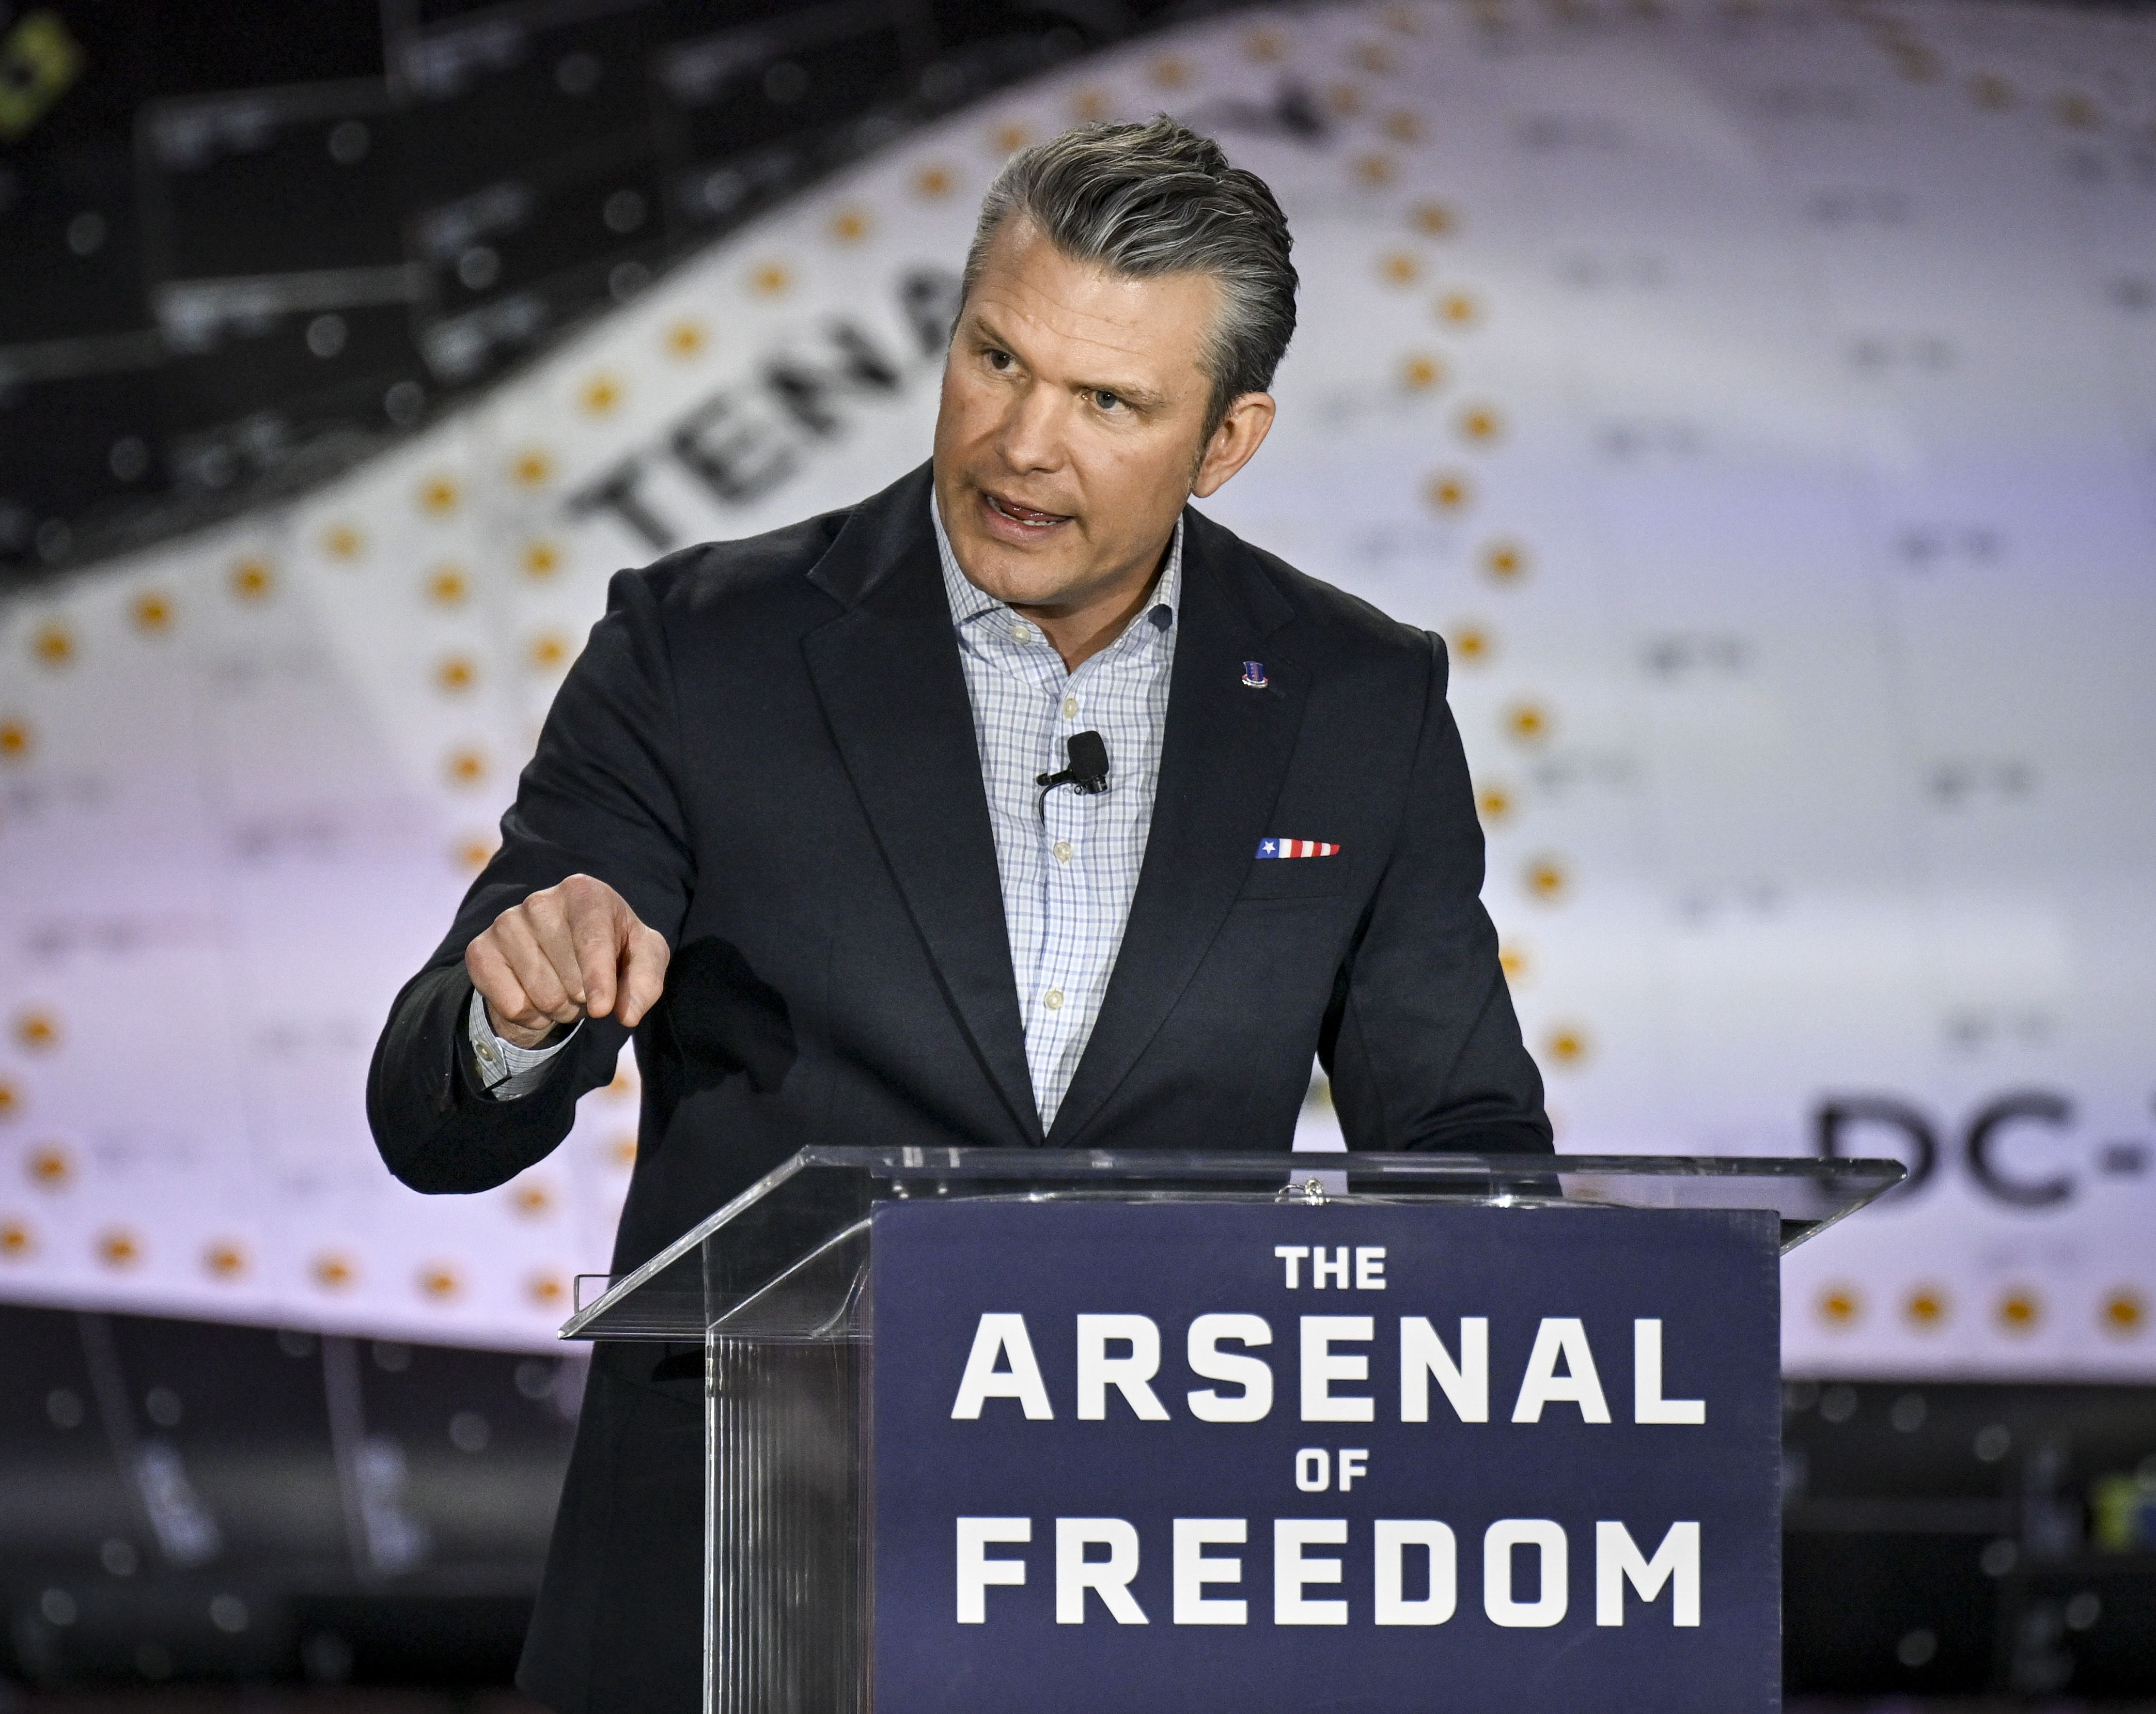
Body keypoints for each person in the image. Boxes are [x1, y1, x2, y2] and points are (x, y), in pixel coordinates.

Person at [367, 115, 1550, 1714]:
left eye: (1107, 401)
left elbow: (1464, 1138)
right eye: (996, 361)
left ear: (1227, 439)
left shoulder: (1359, 699)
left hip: (1159, 1591)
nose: (1022, 446)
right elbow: (439, 1120)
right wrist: (514, 1015)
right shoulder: (699, 651)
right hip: (738, 1578)